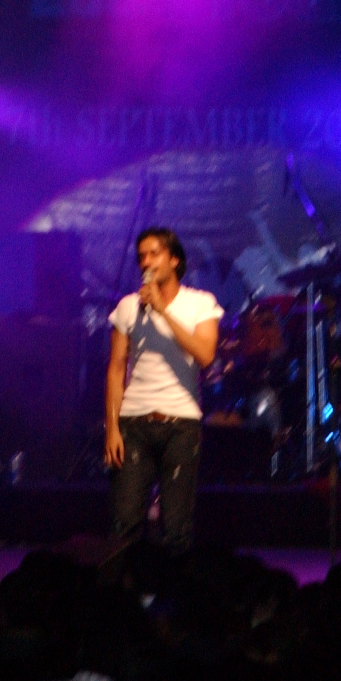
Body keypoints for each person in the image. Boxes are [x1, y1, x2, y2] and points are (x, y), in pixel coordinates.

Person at [106, 227, 221, 554]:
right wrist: (112, 428)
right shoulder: (128, 306)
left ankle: (174, 584)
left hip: (181, 422)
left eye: (154, 254)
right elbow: (116, 368)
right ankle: (124, 584)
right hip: (134, 423)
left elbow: (205, 355)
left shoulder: (200, 302)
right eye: (141, 256)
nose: (146, 261)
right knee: (125, 522)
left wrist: (163, 311)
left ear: (174, 260)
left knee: (176, 525)